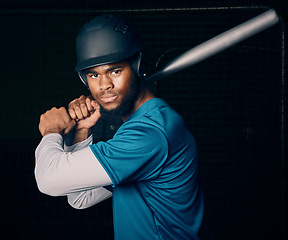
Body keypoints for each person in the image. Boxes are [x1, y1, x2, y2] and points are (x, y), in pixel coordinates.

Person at [35, 14, 204, 240]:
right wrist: (82, 131)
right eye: (94, 74)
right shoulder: (139, 128)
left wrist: (51, 131)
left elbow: (48, 181)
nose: (104, 85)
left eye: (115, 70)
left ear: (138, 66)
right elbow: (80, 198)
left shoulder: (150, 133)